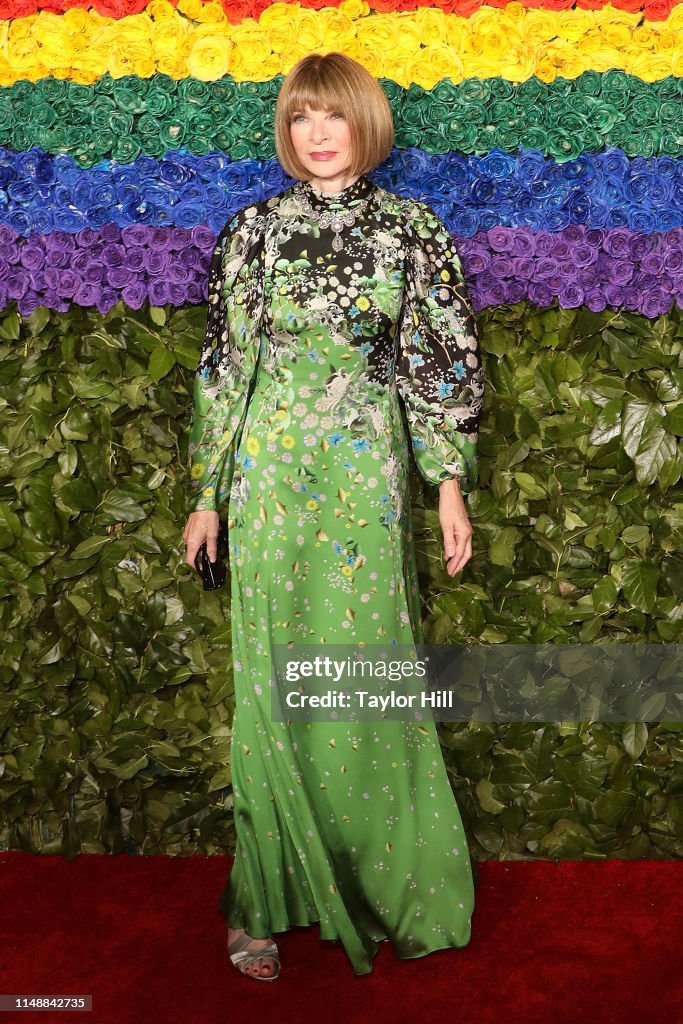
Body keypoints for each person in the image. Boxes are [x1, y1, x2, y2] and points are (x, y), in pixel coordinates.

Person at [182, 51, 484, 981]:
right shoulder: (253, 232)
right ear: (287, 131)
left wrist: (447, 480)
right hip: (269, 475)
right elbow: (225, 368)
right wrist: (206, 492)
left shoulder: (410, 232)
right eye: (301, 118)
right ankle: (262, 901)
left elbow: (439, 362)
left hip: (363, 476)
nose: (317, 135)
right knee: (270, 682)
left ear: (365, 126)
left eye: (334, 117)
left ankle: (380, 882)